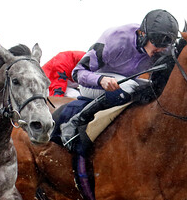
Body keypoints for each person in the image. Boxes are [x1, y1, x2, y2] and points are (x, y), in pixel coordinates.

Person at [59, 9, 179, 148]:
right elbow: (77, 73)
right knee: (129, 87)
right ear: (143, 34)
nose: (161, 49)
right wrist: (101, 80)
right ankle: (75, 122)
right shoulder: (116, 39)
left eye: (165, 45)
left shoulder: (163, 49)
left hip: (125, 81)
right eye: (157, 43)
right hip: (93, 84)